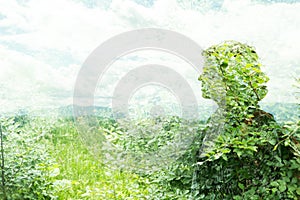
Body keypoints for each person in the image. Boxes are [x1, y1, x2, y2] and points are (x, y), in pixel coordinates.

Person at [191, 41, 293, 199]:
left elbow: (264, 187)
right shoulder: (218, 118)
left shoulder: (259, 124)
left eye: (210, 72)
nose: (201, 78)